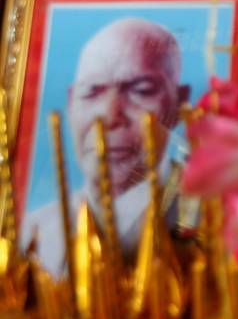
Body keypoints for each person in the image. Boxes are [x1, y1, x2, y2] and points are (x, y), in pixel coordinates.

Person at [21, 18, 190, 276]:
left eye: (141, 90)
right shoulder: (32, 233)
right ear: (71, 103)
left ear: (179, 104)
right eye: (91, 92)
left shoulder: (208, 218)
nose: (110, 116)